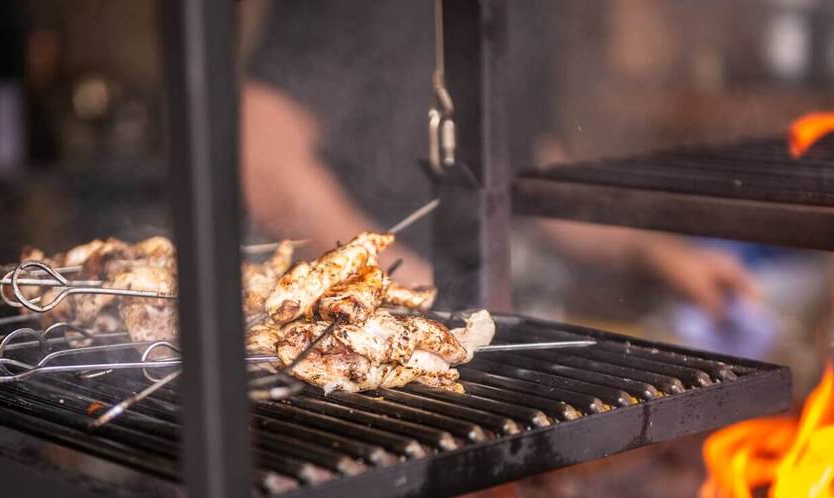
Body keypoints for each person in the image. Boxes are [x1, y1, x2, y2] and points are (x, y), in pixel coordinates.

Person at [239, 0, 757, 317]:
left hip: (465, 317)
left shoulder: (526, 11)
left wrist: (656, 253)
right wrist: (408, 286)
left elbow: (527, 169)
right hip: (342, 323)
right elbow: (264, 160)